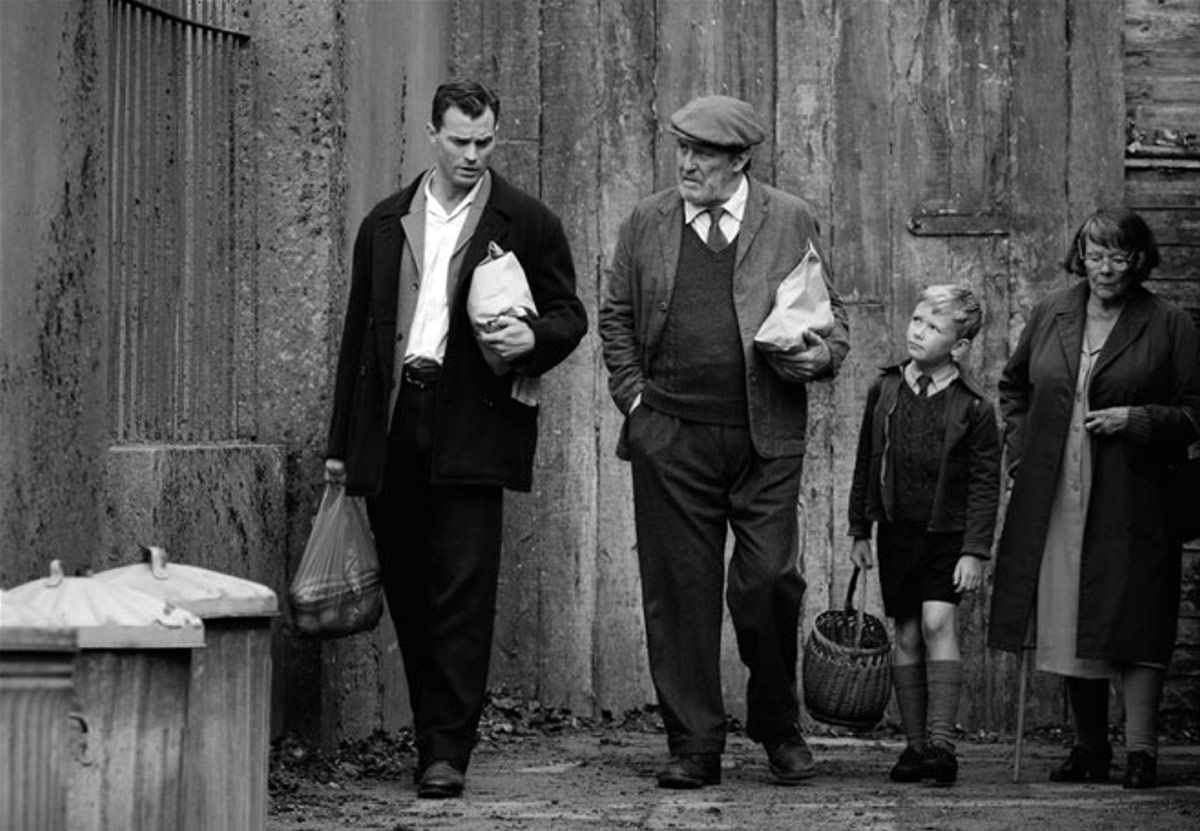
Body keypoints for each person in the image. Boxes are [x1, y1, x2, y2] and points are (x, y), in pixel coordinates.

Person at [325, 80, 587, 799]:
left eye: (485, 142)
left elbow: (571, 314)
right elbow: (358, 341)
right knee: (409, 588)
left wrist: (533, 336)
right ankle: (430, 729)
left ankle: (447, 752)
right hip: (395, 418)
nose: (473, 155)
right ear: (433, 135)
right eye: (460, 141)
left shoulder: (527, 222)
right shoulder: (384, 223)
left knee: (464, 591)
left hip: (474, 418)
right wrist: (339, 448)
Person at [599, 94, 851, 788]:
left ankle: (776, 723)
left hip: (764, 435)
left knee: (768, 580)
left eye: (703, 153)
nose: (687, 164)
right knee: (680, 592)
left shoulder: (789, 216)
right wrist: (636, 402)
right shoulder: (647, 220)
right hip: (671, 436)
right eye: (681, 149)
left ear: (740, 160)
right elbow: (615, 315)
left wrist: (818, 358)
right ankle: (695, 742)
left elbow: (833, 327)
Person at [988, 208, 1200, 789]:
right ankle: (1089, 749)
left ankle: (1141, 751)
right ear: (1080, 255)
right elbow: (1015, 388)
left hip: (1135, 493)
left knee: (1135, 614)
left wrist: (1138, 419)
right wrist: (1019, 457)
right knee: (1067, 615)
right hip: (1058, 491)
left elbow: (1193, 412)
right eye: (1093, 254)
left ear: (1139, 259)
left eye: (1117, 256)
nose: (1104, 268)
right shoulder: (1053, 311)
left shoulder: (1168, 323)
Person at [848, 284, 1000, 785]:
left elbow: (984, 483)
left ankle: (941, 746)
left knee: (938, 623)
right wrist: (859, 529)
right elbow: (866, 462)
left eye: (933, 327)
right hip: (896, 532)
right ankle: (913, 749)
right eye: (916, 320)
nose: (918, 332)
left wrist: (975, 551)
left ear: (958, 346)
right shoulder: (886, 389)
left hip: (946, 537)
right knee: (907, 632)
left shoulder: (973, 407)